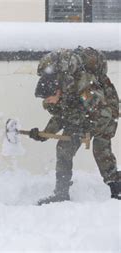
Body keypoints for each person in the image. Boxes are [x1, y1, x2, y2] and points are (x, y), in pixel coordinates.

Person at [30, 47, 120, 205]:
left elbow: (103, 115)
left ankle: (117, 189)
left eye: (49, 98)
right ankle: (61, 193)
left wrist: (87, 131)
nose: (48, 102)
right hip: (81, 114)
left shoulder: (83, 88)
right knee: (64, 148)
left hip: (105, 111)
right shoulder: (62, 92)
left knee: (100, 148)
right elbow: (61, 117)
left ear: (58, 90)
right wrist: (44, 134)